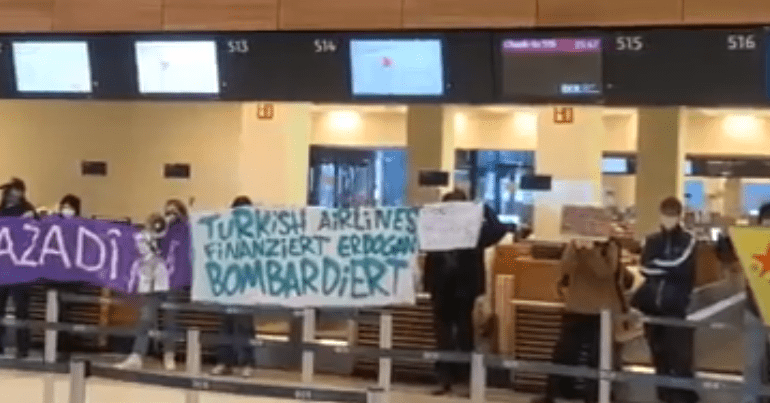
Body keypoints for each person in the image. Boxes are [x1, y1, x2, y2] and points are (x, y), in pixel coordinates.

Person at [423, 189, 508, 396]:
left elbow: (498, 230)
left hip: (463, 288)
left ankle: (466, 380)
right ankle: (445, 379)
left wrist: (483, 209)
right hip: (441, 286)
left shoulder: (474, 230)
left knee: (464, 335)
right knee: (443, 337)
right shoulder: (436, 228)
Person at [531, 238, 633, 403]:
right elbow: (564, 269)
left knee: (598, 358)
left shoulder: (611, 246)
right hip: (575, 307)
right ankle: (554, 394)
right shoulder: (573, 243)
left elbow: (606, 272)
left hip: (601, 310)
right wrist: (574, 249)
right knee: (563, 354)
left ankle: (596, 397)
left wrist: (589, 251)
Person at [632, 197, 698, 403]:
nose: (668, 219)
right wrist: (665, 268)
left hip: (676, 306)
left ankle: (682, 396)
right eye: (665, 214)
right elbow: (644, 267)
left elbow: (682, 266)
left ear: (679, 216)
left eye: (672, 215)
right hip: (651, 306)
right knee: (658, 356)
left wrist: (658, 266)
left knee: (680, 356)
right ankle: (664, 396)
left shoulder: (688, 239)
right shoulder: (651, 240)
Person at [116, 215, 176, 371]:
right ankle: (137, 355)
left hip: (169, 284)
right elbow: (138, 244)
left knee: (170, 320)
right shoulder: (144, 237)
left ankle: (169, 355)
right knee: (145, 319)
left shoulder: (176, 235)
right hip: (150, 287)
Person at [212, 196, 257, 377]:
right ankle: (225, 361)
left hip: (245, 285)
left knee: (244, 326)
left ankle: (247, 362)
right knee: (226, 325)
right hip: (227, 285)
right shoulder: (225, 231)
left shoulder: (255, 233)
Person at [0, 178, 35, 358]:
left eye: (17, 193)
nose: (13, 197)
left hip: (20, 267)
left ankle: (23, 347)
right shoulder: (1, 213)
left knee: (22, 308)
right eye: (11, 193)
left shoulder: (27, 212)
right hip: (3, 267)